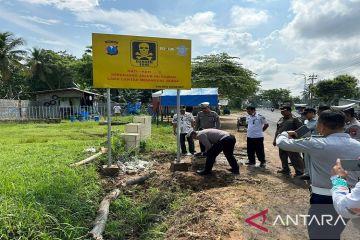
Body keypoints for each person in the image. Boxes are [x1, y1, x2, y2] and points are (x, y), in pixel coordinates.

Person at [276, 110, 360, 239]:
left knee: (319, 236)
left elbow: (282, 143)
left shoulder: (317, 144)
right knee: (333, 233)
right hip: (350, 199)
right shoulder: (357, 145)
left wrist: (285, 133)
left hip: (324, 200)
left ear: (322, 126)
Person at [273, 106, 304, 176]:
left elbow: (300, 130)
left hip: (291, 141)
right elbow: (278, 130)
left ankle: (299, 171)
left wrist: (296, 140)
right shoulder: (281, 119)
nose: (282, 112)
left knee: (294, 157)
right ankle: (285, 169)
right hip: (281, 140)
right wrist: (275, 139)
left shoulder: (295, 119)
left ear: (289, 111)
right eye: (281, 111)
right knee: (282, 155)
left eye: (284, 111)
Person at [301, 107, 318, 180]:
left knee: (313, 160)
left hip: (314, 142)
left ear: (312, 113)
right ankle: (307, 173)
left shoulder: (317, 122)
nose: (305, 115)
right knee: (306, 159)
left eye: (307, 113)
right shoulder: (306, 121)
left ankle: (313, 174)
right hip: (306, 142)